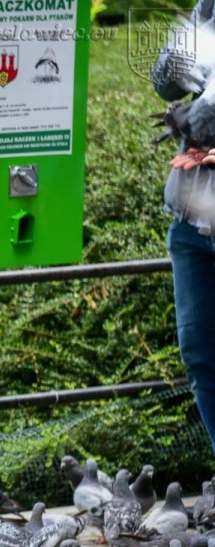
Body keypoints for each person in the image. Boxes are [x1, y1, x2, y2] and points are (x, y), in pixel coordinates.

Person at [153, 4, 215, 459]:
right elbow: (163, 83)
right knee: (200, 356)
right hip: (191, 224)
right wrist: (174, 65)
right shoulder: (205, 14)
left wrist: (207, 110)